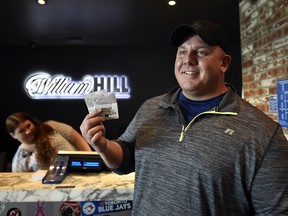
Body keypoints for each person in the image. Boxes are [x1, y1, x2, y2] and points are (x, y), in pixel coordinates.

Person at [80, 20, 288, 215]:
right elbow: (126, 159)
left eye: (201, 52)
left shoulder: (264, 134)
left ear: (223, 63)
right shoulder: (151, 108)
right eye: (182, 52)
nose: (188, 60)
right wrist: (102, 145)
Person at [6, 112, 92, 172]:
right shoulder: (20, 158)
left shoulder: (50, 127)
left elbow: (78, 140)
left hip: (81, 171)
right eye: (21, 131)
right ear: (13, 135)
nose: (28, 131)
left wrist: (90, 161)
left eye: (28, 126)